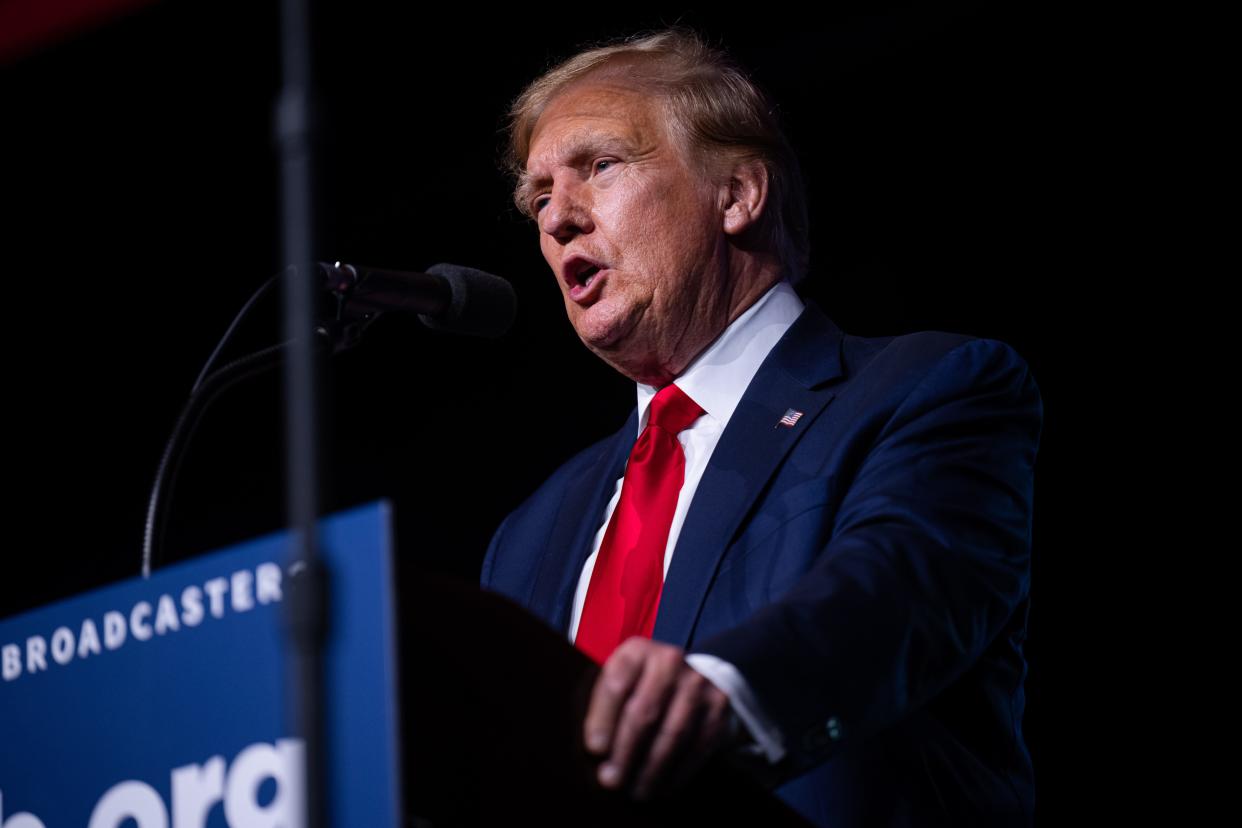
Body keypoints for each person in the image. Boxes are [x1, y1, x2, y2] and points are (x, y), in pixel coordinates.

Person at [480, 27, 1042, 827]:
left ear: (738, 194)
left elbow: (896, 592)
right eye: (538, 198)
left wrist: (726, 692)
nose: (558, 219)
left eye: (600, 167)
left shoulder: (927, 391)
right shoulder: (529, 534)